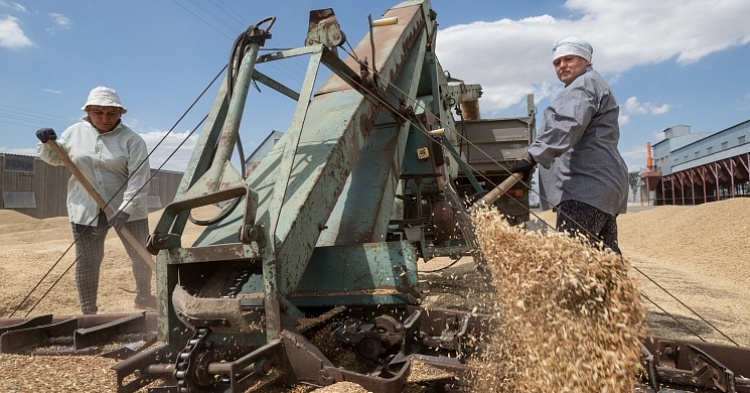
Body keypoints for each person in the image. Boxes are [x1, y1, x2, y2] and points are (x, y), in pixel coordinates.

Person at [35, 86, 155, 314]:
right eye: (98, 112)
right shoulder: (74, 132)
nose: (104, 118)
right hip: (85, 208)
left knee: (140, 256)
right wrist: (46, 142)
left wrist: (126, 209)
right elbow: (54, 157)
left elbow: (139, 179)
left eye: (111, 113)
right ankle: (89, 312)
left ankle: (143, 297)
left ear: (121, 113)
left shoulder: (132, 140)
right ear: (88, 111)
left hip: (127, 210)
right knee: (88, 261)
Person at [511, 36, 628, 254]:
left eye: (569, 59)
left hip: (586, 186)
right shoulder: (592, 83)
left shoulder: (584, 84)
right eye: (557, 62)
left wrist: (533, 156)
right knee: (604, 258)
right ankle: (614, 289)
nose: (562, 66)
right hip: (602, 186)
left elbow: (568, 124)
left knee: (573, 259)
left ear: (585, 60)